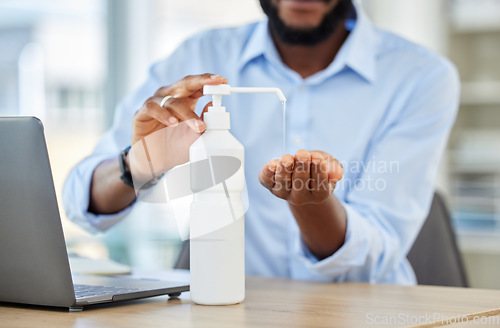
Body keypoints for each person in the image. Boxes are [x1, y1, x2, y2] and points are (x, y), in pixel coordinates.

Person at [63, 0, 459, 284]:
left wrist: (313, 205)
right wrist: (140, 164)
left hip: (363, 312)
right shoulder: (200, 56)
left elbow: (372, 260)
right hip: (228, 312)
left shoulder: (421, 78)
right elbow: (81, 202)